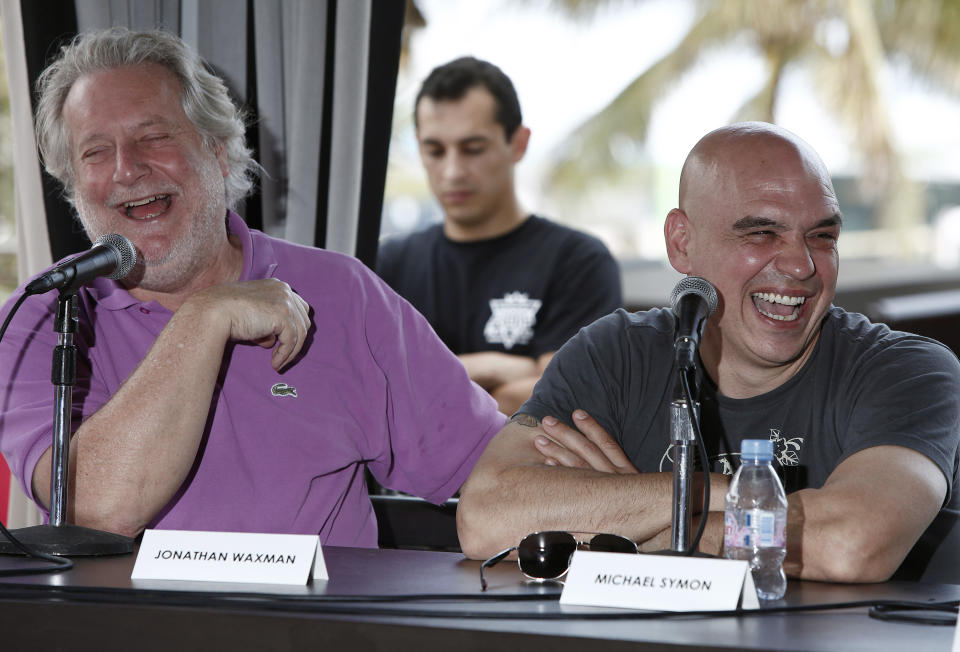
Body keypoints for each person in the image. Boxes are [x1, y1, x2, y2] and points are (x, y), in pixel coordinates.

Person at [0, 28, 505, 547]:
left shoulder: (342, 293)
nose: (127, 169)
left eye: (154, 137)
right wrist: (205, 318)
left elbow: (490, 461)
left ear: (218, 152)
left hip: (318, 627)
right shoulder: (45, 314)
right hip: (127, 630)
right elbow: (94, 508)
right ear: (74, 185)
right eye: (96, 153)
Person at [457, 122, 960, 583]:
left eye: (822, 236)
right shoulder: (612, 355)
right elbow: (484, 518)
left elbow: (851, 544)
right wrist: (700, 492)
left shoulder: (908, 372)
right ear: (682, 243)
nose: (802, 265)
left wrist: (634, 526)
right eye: (761, 232)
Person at [377, 57, 622, 416]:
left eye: (473, 149)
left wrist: (417, 383)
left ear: (518, 144)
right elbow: (369, 391)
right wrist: (497, 367)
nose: (452, 171)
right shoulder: (388, 265)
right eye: (434, 150)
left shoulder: (578, 261)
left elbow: (564, 402)